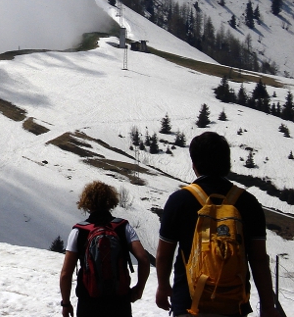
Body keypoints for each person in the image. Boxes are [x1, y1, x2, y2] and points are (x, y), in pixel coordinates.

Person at [156, 132, 280, 317]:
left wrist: (163, 286)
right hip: (233, 306)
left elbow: (164, 253)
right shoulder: (247, 203)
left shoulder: (179, 201)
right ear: (227, 163)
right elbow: (259, 259)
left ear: (194, 164)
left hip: (189, 304)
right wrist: (268, 306)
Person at [59, 180, 150, 317]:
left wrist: (66, 303)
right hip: (120, 303)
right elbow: (143, 259)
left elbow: (66, 274)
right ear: (110, 200)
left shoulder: (79, 231)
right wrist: (139, 289)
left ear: (86, 202)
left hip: (88, 303)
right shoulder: (123, 227)